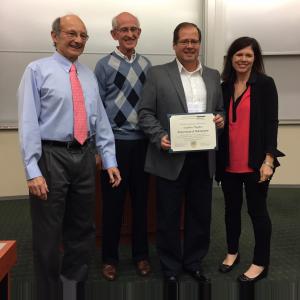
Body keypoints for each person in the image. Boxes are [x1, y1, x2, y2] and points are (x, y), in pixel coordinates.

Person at [18, 15, 121, 300]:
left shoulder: (87, 75)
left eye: (83, 35)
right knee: (48, 232)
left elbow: (100, 121)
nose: (78, 40)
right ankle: (49, 293)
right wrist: (32, 170)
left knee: (82, 229)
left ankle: (72, 289)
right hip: (51, 158)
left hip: (85, 158)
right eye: (71, 33)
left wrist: (109, 160)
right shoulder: (36, 70)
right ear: (54, 36)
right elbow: (28, 123)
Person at [138, 22, 224, 287]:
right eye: (184, 41)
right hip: (170, 157)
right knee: (168, 215)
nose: (189, 46)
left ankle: (194, 262)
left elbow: (219, 109)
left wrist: (220, 119)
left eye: (194, 41)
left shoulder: (212, 75)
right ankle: (170, 267)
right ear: (174, 45)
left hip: (202, 158)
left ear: (200, 44)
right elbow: (145, 113)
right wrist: (159, 136)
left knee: (200, 214)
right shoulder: (157, 74)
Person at [216, 37, 285, 282]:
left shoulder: (265, 85)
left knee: (257, 211)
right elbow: (221, 122)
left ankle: (260, 262)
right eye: (238, 55)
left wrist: (269, 159)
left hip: (256, 163)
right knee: (230, 210)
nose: (243, 59)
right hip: (228, 162)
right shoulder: (223, 87)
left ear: (255, 58)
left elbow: (271, 123)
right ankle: (232, 251)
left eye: (248, 55)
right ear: (231, 57)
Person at [94, 12, 151, 281]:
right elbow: (96, 109)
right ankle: (109, 259)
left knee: (141, 204)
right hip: (114, 145)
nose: (129, 34)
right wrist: (98, 149)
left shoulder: (147, 65)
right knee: (113, 206)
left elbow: (151, 105)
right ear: (114, 34)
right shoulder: (103, 65)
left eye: (134, 30)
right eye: (123, 30)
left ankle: (141, 256)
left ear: (139, 33)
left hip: (142, 144)